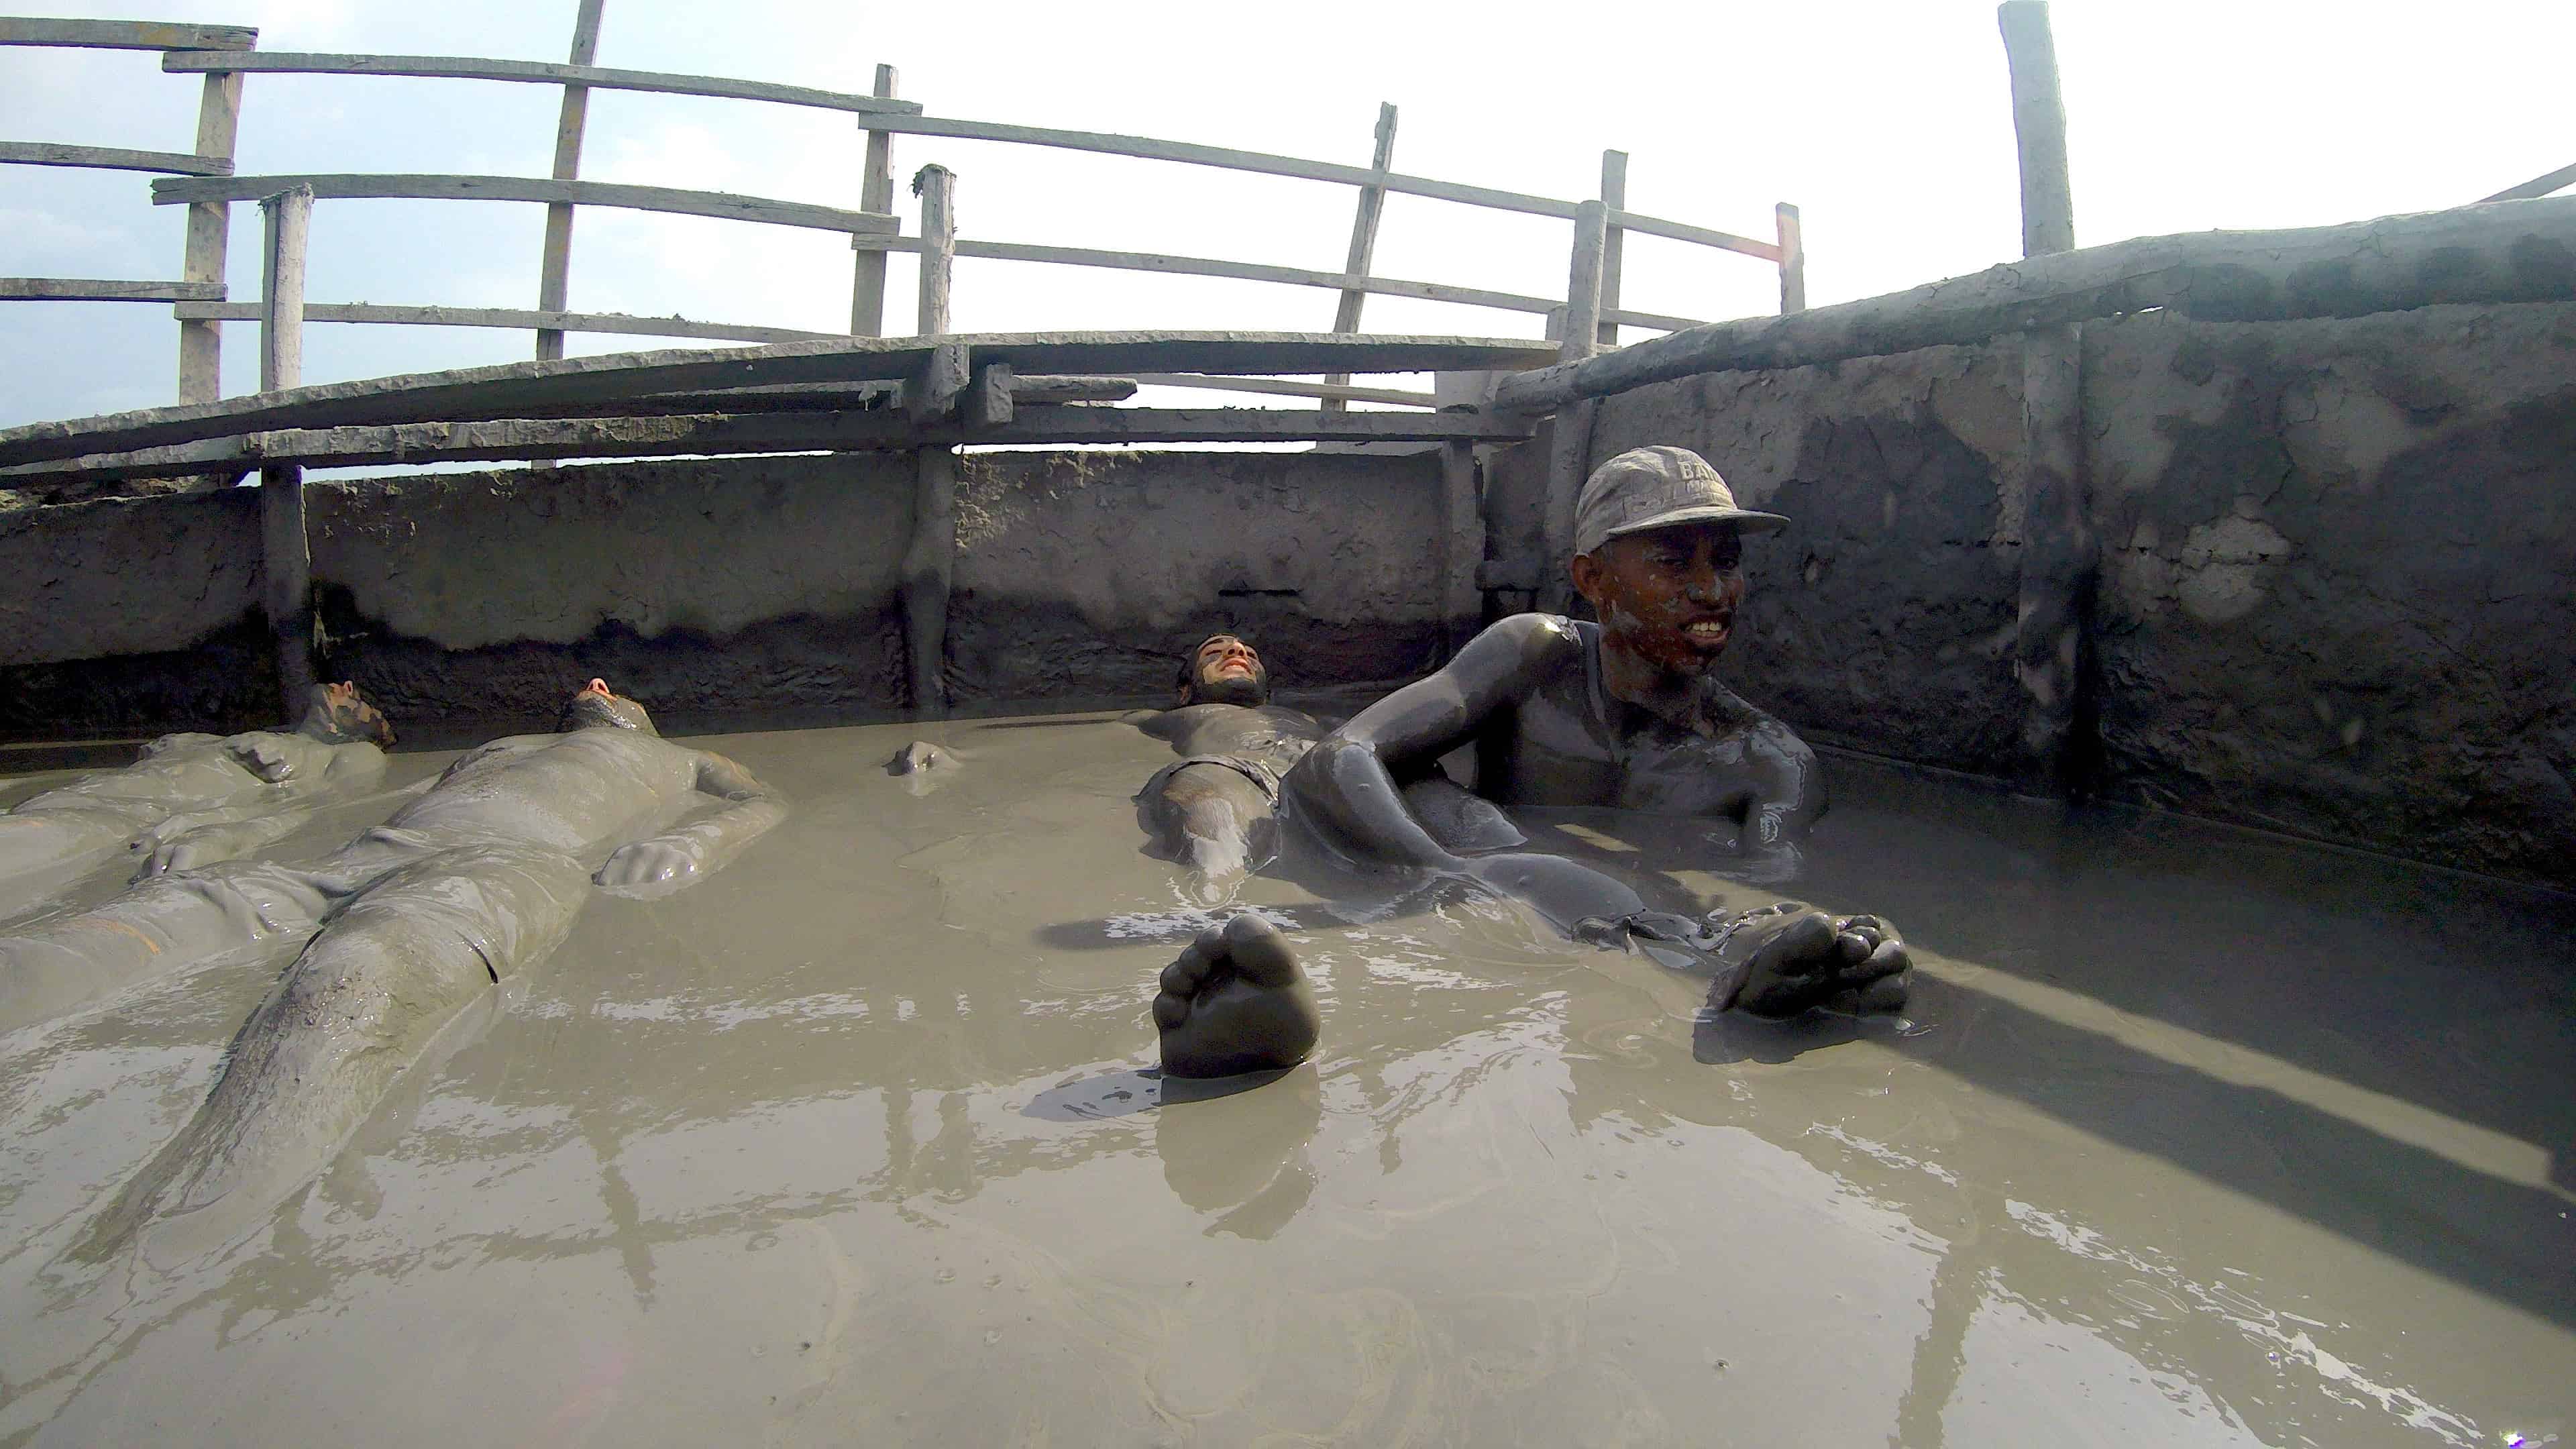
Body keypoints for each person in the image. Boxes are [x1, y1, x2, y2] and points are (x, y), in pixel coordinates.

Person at [1177, 446, 1913, 1064]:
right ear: (1592, 580)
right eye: (1672, 561)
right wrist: (1449, 876)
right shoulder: (1537, 653)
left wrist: (1826, 944)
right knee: (1443, 804)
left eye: (1727, 561)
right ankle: (1261, 1014)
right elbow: (1339, 760)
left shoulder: (1775, 764)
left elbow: (1768, 884)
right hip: (1492, 892)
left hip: (1620, 931)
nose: (1710, 590)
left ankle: (1768, 990)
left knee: (1671, 933)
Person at [47, 678, 785, 1252]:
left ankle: (173, 1234)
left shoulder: (684, 759)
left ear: (639, 716)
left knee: (356, 976)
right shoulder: (502, 747)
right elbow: (384, 798)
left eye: (612, 689)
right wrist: (231, 831)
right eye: (591, 686)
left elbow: (767, 801)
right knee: (121, 929)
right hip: (359, 855)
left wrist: (696, 843)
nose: (595, 686)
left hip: (504, 865)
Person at [1132, 633, 1519, 884]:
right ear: (1185, 691)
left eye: (1250, 654)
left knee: (1469, 814)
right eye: (1216, 652)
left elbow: (1377, 737)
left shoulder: (1310, 720)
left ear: (1268, 693)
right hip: (1237, 769)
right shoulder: (1163, 719)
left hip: (1339, 767)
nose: (1237, 652)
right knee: (1208, 811)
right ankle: (1216, 914)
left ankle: (1515, 879)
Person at [0, 681, 395, 910]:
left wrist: (214, 830)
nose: (346, 689)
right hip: (83, 796)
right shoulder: (238, 738)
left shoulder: (353, 755)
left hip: (134, 819)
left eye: (361, 700)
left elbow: (320, 807)